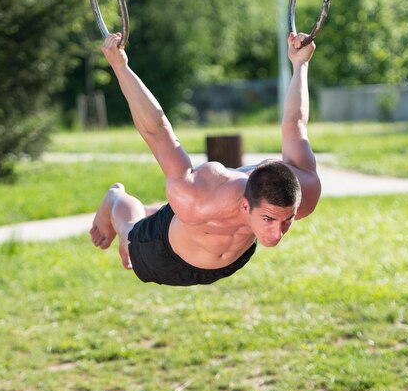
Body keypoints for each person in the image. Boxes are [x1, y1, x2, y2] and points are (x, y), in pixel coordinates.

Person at [90, 32, 321, 286]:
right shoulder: (197, 196)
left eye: (287, 220)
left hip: (226, 255)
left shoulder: (302, 191)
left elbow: (294, 124)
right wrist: (119, 66)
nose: (277, 235)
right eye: (268, 219)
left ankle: (156, 211)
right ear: (245, 205)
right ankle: (115, 198)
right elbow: (156, 131)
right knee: (131, 232)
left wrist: (300, 64)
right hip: (165, 256)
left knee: (191, 216)